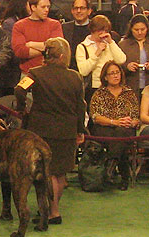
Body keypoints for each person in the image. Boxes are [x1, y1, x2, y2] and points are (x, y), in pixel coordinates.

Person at [15, 37, 86, 225]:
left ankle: (49, 211)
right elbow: (81, 107)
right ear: (63, 56)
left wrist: (23, 109)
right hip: (66, 131)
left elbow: (19, 90)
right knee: (59, 173)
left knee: (46, 173)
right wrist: (81, 130)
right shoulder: (75, 77)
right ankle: (52, 210)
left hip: (40, 130)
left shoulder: (35, 74)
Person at [89, 61, 139, 191]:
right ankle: (123, 176)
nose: (116, 76)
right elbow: (95, 116)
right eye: (111, 73)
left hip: (125, 129)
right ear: (105, 77)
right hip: (105, 128)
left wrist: (131, 122)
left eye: (117, 72)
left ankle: (110, 165)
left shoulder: (129, 93)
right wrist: (114, 122)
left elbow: (135, 117)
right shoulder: (99, 94)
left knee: (121, 133)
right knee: (117, 138)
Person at [76, 15, 126, 103]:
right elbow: (83, 71)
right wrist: (97, 53)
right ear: (93, 30)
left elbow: (121, 60)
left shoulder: (110, 44)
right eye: (100, 30)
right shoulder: (82, 47)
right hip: (94, 88)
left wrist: (111, 42)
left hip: (112, 87)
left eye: (106, 30)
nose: (103, 33)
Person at [11, 0, 62, 77]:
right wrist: (47, 50)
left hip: (50, 74)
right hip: (28, 74)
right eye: (43, 7)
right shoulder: (19, 26)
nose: (47, 10)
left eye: (48, 6)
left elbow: (57, 48)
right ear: (33, 7)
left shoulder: (55, 25)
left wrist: (31, 44)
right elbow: (20, 51)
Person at [119, 14, 149, 96]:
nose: (139, 32)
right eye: (136, 29)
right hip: (129, 88)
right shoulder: (123, 45)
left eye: (142, 29)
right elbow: (116, 65)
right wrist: (127, 66)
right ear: (131, 29)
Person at [62, 0, 92, 71]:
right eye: (76, 8)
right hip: (70, 71)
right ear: (72, 11)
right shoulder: (64, 28)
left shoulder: (95, 27)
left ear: (89, 11)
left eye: (82, 8)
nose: (78, 11)